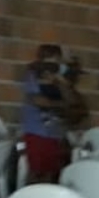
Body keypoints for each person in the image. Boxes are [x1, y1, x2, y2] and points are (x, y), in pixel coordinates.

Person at [21, 44, 69, 183]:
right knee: (36, 171)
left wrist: (60, 82)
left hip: (53, 132)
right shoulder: (33, 75)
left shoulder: (59, 79)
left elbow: (70, 100)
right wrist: (60, 105)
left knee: (51, 171)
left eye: (57, 60)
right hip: (36, 132)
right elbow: (39, 101)